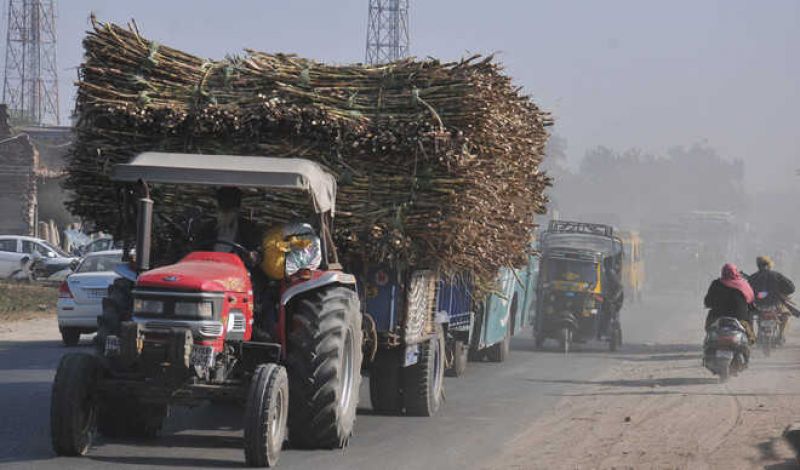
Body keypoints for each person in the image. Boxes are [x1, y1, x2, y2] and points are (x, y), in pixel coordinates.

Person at [748, 256, 796, 343]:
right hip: (775, 305)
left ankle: (751, 336)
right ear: (769, 265)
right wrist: (782, 292)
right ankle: (780, 335)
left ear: (758, 266)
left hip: (758, 306)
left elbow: (747, 292)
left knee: (748, 315)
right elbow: (791, 288)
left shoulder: (752, 277)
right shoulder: (777, 275)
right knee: (785, 314)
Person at [704, 263, 755, 343]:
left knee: (709, 334)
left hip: (716, 318)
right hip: (740, 320)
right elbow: (751, 301)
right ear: (736, 272)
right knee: (750, 339)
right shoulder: (743, 285)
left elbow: (707, 302)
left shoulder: (716, 284)